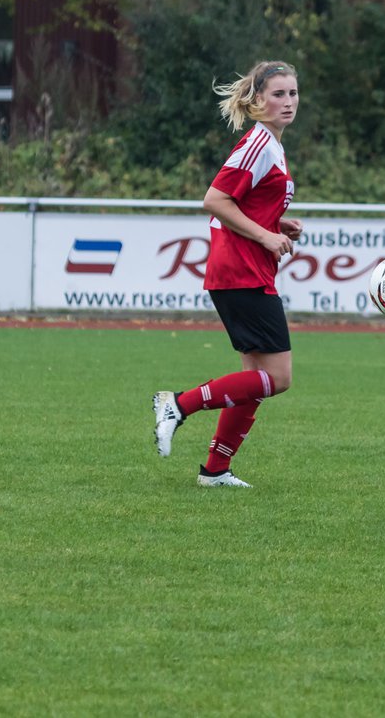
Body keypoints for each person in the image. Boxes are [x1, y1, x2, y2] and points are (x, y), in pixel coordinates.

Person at [151, 60, 303, 488]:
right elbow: (215, 200)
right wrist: (268, 237)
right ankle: (177, 404)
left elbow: (245, 205)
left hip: (247, 269)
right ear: (257, 100)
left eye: (292, 93)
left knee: (254, 380)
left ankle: (215, 470)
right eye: (277, 94)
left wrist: (277, 225)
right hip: (241, 270)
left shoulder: (271, 144)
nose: (287, 102)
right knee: (278, 378)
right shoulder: (257, 144)